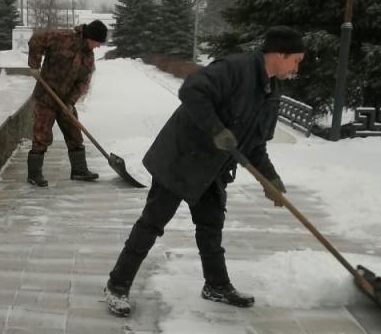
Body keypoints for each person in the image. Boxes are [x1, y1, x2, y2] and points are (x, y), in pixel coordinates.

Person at [104, 26, 306, 316]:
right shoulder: (235, 68)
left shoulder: (271, 93)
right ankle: (117, 285)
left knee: (211, 226)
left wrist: (270, 179)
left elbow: (255, 145)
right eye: (296, 60)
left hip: (213, 168)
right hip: (181, 157)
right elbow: (192, 90)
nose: (297, 67)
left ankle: (216, 285)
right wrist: (216, 129)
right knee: (152, 223)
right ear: (279, 54)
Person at [26, 19, 109, 186]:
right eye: (98, 42)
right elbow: (36, 39)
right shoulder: (62, 37)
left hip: (65, 101)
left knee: (75, 134)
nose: (98, 46)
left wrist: (70, 102)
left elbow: (83, 83)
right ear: (90, 37)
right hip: (46, 98)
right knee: (41, 136)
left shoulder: (89, 58)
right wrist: (34, 64)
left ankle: (79, 171)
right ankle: (34, 174)